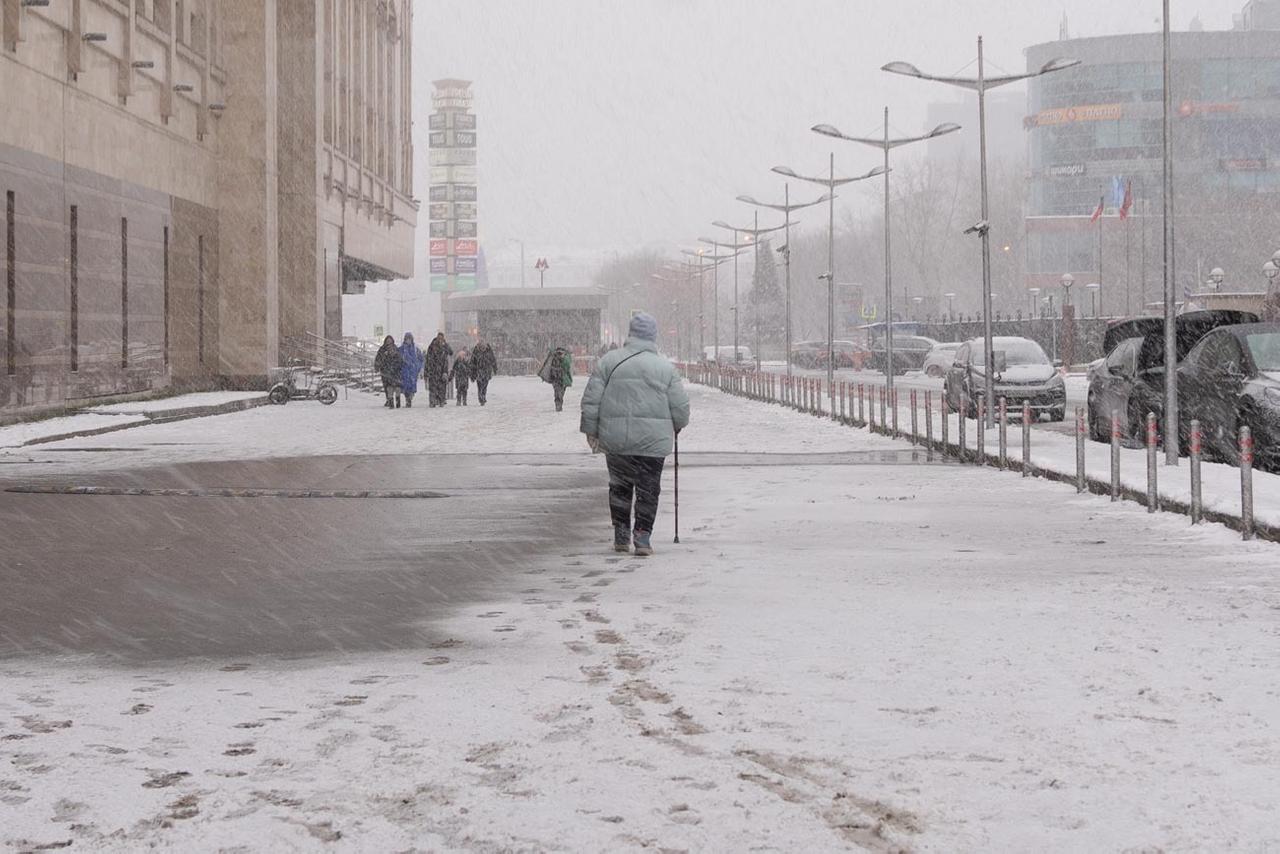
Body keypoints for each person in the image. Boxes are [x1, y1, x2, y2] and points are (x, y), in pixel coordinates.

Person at [580, 313, 690, 556]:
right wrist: (678, 425)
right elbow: (680, 407)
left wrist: (591, 429)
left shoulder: (609, 362)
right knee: (649, 489)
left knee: (619, 487)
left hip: (617, 440)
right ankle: (642, 536)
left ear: (631, 334)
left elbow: (591, 400)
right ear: (652, 336)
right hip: (653, 443)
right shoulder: (665, 367)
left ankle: (621, 534)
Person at [540, 345, 574, 411]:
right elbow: (551, 366)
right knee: (557, 393)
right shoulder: (554, 358)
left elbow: (567, 367)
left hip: (563, 379)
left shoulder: (566, 359)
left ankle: (559, 404)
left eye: (561, 353)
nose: (559, 354)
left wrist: (563, 359)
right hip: (556, 378)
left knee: (561, 393)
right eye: (558, 353)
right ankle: (558, 406)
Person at [373, 335, 404, 408]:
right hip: (385, 371)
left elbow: (399, 359)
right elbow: (378, 358)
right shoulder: (382, 349)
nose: (389, 342)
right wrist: (377, 366)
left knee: (396, 386)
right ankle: (389, 399)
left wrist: (398, 366)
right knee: (387, 386)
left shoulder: (395, 348)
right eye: (387, 340)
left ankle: (396, 400)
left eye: (390, 340)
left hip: (395, 371)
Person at [425, 332, 453, 408]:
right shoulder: (432, 346)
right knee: (433, 387)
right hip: (433, 370)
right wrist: (427, 371)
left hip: (443, 370)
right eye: (439, 338)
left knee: (442, 387)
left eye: (442, 338)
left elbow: (451, 352)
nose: (440, 340)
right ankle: (432, 401)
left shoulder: (445, 346)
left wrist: (446, 344)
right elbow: (428, 359)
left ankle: (441, 401)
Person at [398, 332, 425, 408]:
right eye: (407, 339)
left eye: (409, 339)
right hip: (405, 371)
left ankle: (410, 398)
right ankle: (408, 399)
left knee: (412, 387)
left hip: (413, 371)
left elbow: (421, 359)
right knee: (406, 386)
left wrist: (418, 367)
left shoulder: (416, 349)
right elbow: (398, 359)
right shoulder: (402, 349)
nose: (408, 340)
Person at [471, 341, 497, 406]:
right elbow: (472, 363)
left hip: (486, 371)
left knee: (485, 385)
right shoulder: (476, 352)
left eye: (484, 347)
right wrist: (472, 372)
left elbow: (493, 360)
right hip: (479, 371)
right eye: (481, 347)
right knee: (480, 385)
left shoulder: (488, 352)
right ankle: (481, 397)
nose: (483, 348)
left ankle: (483, 396)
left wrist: (495, 368)